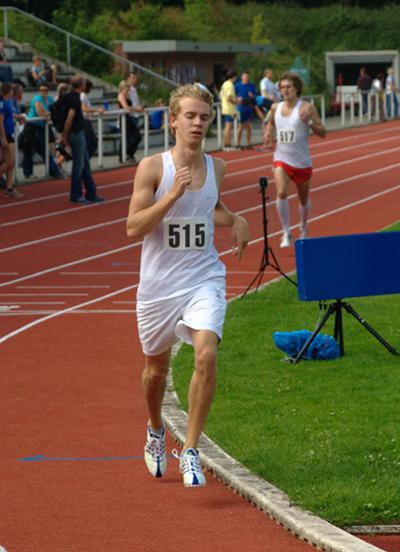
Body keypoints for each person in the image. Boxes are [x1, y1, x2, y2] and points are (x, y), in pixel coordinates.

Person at [126, 84, 249, 487]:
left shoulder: (218, 168)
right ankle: (155, 427)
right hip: (159, 285)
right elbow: (133, 227)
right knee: (154, 372)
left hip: (203, 277)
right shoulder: (152, 168)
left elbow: (208, 208)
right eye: (190, 116)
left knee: (206, 355)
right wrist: (171, 196)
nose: (198, 123)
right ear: (174, 120)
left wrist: (236, 219)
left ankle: (191, 449)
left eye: (204, 117)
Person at [263, 71, 326, 248]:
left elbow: (323, 132)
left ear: (296, 88)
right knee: (281, 192)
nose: (285, 90)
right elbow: (271, 123)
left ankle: (304, 229)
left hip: (302, 162)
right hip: (281, 159)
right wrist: (268, 133)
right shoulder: (275, 107)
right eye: (282, 87)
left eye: (288, 87)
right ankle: (286, 232)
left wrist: (311, 123)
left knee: (303, 199)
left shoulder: (306, 108)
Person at [60, 76, 103, 204]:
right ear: (81, 85)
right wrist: (64, 134)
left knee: (84, 165)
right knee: (79, 166)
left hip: (78, 133)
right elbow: (69, 118)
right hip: (76, 134)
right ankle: (76, 195)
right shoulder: (74, 99)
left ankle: (91, 193)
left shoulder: (72, 97)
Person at [21, 83, 61, 179]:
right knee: (29, 150)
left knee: (45, 150)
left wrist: (49, 114)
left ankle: (54, 171)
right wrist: (50, 114)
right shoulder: (37, 99)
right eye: (41, 90)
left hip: (42, 127)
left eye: (45, 90)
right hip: (31, 127)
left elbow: (54, 111)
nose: (43, 92)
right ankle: (29, 173)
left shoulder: (50, 99)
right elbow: (40, 112)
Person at [0, 82, 20, 198]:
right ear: (8, 91)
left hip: (9, 133)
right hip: (6, 134)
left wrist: (18, 117)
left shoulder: (8, 102)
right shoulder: (2, 103)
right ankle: (9, 188)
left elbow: (9, 116)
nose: (13, 91)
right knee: (9, 162)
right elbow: (0, 121)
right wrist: (3, 138)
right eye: (12, 89)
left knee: (11, 163)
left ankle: (9, 188)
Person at [117, 79, 142, 163]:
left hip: (129, 117)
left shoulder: (127, 96)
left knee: (137, 137)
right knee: (125, 138)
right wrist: (137, 109)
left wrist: (137, 108)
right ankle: (122, 157)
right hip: (124, 118)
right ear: (122, 88)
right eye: (126, 88)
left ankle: (129, 153)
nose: (128, 90)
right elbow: (126, 107)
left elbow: (130, 107)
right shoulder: (121, 96)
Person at [80, 79, 103, 158]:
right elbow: (83, 109)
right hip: (85, 121)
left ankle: (84, 162)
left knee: (89, 143)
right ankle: (84, 161)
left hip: (86, 120)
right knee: (91, 143)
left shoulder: (83, 95)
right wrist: (97, 110)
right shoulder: (83, 95)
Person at [235, 72, 257, 149]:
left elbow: (255, 96)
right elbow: (234, 95)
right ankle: (238, 143)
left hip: (249, 108)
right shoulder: (237, 86)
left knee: (249, 126)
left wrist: (252, 96)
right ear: (242, 78)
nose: (246, 78)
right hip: (241, 108)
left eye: (247, 77)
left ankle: (248, 143)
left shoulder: (251, 86)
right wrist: (237, 98)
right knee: (240, 126)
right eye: (244, 77)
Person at [219, 69, 237, 151]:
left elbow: (220, 96)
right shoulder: (230, 85)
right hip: (229, 109)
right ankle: (227, 144)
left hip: (225, 108)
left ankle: (227, 144)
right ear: (234, 77)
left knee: (227, 127)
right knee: (228, 127)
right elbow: (229, 98)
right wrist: (236, 101)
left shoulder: (224, 84)